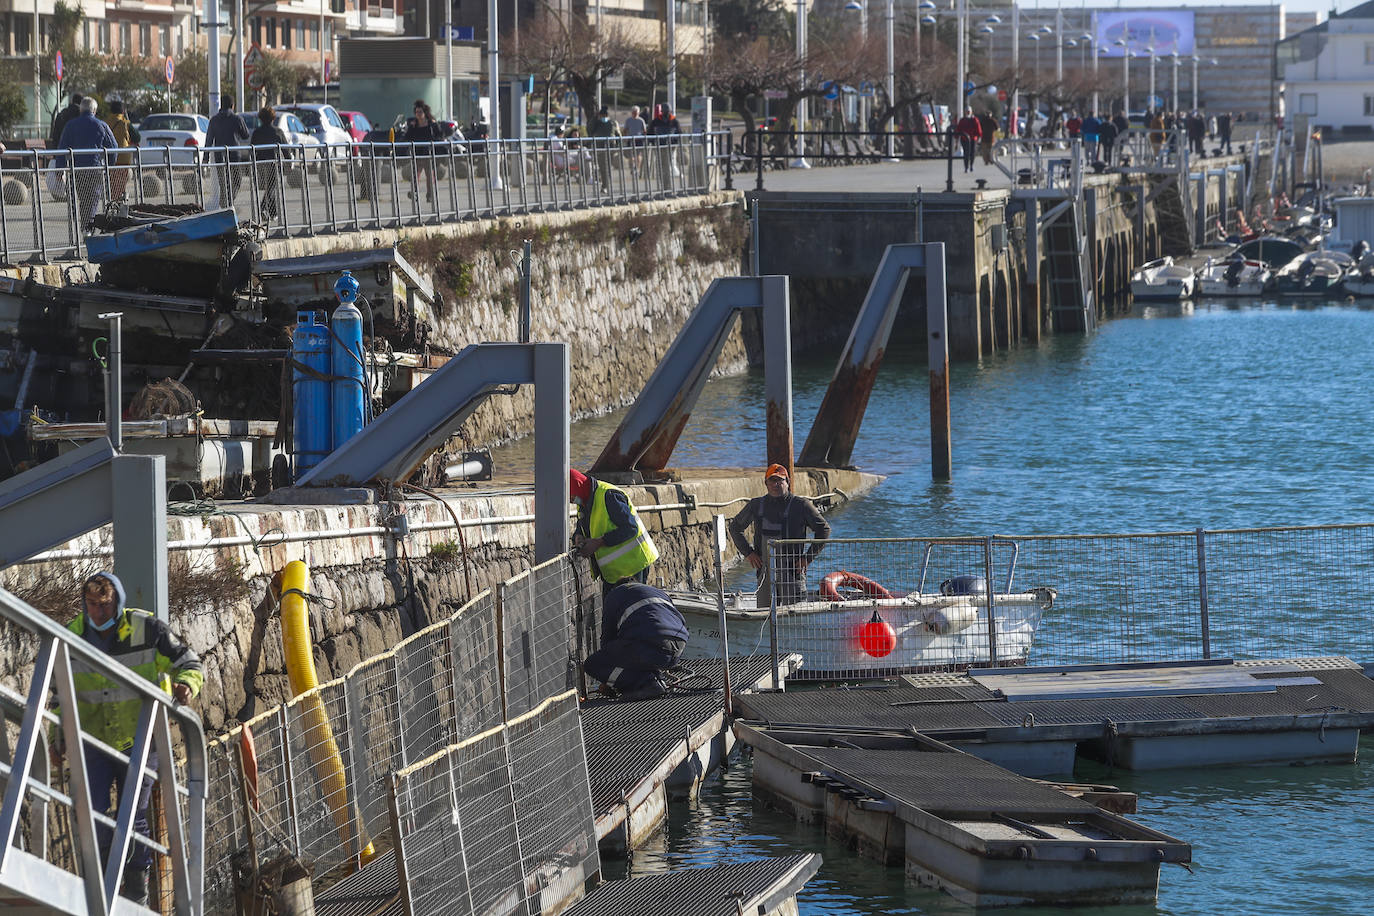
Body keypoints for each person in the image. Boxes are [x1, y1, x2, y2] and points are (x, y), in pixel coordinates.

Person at [55, 572, 203, 905]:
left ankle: (137, 892)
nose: (98, 613)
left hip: (141, 739)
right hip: (92, 740)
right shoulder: (71, 635)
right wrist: (56, 737)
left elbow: (190, 662)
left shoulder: (146, 629)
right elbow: (57, 692)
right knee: (90, 813)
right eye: (91, 605)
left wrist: (186, 685)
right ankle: (103, 886)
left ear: (118, 602)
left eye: (105, 605)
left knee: (132, 815)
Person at [727, 464, 831, 606]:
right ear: (766, 483)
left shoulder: (801, 505)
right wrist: (749, 553)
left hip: (792, 571)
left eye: (780, 480)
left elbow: (824, 529)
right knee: (765, 613)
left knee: (795, 614)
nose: (776, 484)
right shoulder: (756, 505)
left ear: (787, 482)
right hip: (764, 570)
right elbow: (735, 528)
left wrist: (807, 558)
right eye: (772, 480)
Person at [581, 581, 688, 701]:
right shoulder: (659, 593)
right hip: (678, 649)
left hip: (651, 645)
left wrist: (608, 679)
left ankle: (647, 684)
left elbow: (608, 639)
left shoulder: (614, 595)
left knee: (593, 664)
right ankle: (655, 680)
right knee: (635, 654)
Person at [569, 468, 659, 597]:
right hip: (613, 572)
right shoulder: (584, 499)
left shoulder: (609, 495)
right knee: (614, 608)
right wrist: (578, 535)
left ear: (578, 486)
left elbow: (630, 528)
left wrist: (599, 542)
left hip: (634, 564)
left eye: (571, 497)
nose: (571, 501)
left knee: (630, 607)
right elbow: (585, 524)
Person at [57, 97, 118, 226]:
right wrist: (109, 166)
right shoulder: (101, 125)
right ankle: (88, 226)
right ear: (94, 110)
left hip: (77, 170)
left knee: (83, 199)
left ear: (81, 110)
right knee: (93, 199)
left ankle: (85, 225)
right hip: (95, 169)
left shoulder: (70, 125)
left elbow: (62, 149)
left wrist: (59, 170)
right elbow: (113, 147)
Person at [205, 96, 249, 208]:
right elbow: (245, 135)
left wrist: (205, 158)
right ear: (232, 106)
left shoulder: (214, 120)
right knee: (236, 180)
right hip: (234, 154)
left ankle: (225, 202)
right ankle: (228, 202)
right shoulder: (237, 119)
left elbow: (209, 140)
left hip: (219, 155)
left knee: (223, 183)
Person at [249, 106, 287, 221]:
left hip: (260, 163)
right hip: (273, 163)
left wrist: (252, 163)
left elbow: (251, 149)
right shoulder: (278, 132)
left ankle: (273, 213)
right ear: (273, 118)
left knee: (270, 187)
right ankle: (262, 208)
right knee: (271, 187)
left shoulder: (257, 132)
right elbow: (285, 148)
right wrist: (289, 160)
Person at [404, 100, 443, 204]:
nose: (418, 114)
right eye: (417, 112)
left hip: (428, 152)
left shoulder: (431, 124)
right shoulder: (414, 125)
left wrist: (435, 126)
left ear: (424, 112)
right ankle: (414, 193)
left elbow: (439, 135)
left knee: (429, 174)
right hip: (416, 152)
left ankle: (429, 195)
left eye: (420, 112)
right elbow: (407, 137)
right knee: (415, 174)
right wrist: (411, 127)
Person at [101, 99, 139, 202]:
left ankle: (113, 203)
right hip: (123, 159)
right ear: (122, 111)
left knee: (112, 185)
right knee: (121, 186)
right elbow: (137, 137)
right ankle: (120, 204)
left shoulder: (105, 123)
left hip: (110, 159)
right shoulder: (125, 123)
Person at [587, 105, 620, 193]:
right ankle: (605, 185)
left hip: (611, 147)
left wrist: (618, 144)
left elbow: (618, 134)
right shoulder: (596, 123)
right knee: (603, 167)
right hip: (600, 147)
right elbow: (589, 130)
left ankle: (606, 185)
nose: (604, 117)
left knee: (608, 166)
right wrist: (595, 118)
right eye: (602, 115)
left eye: (605, 115)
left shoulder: (612, 123)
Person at [955, 107, 981, 173]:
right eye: (967, 111)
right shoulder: (962, 120)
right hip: (964, 139)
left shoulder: (975, 120)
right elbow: (958, 129)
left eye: (969, 111)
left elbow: (978, 129)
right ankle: (966, 167)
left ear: (971, 112)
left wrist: (979, 137)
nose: (968, 112)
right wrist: (956, 138)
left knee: (972, 153)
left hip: (973, 139)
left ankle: (971, 165)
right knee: (966, 153)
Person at [623, 105, 647, 175]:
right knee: (630, 155)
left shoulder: (641, 120)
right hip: (630, 139)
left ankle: (636, 168)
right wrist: (625, 138)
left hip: (638, 140)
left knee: (638, 155)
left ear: (638, 113)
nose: (635, 114)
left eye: (636, 112)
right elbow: (625, 130)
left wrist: (644, 138)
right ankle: (631, 168)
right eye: (633, 112)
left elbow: (644, 131)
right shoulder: (628, 120)